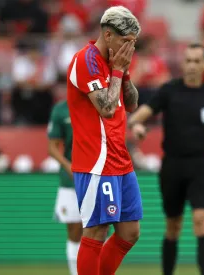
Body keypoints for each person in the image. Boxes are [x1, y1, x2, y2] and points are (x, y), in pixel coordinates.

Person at [128, 43, 204, 275]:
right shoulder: (169, 90)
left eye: (197, 61)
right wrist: (138, 127)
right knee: (173, 226)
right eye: (188, 60)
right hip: (172, 165)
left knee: (202, 222)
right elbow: (137, 118)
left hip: (201, 165)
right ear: (183, 63)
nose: (192, 65)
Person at [66, 6, 142, 275]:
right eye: (126, 42)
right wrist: (118, 71)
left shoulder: (115, 63)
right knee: (96, 231)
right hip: (96, 160)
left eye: (133, 44)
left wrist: (125, 71)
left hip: (120, 158)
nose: (129, 49)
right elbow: (107, 109)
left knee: (130, 232)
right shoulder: (85, 60)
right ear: (108, 35)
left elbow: (131, 104)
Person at [47, 100, 81, 275]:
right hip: (71, 181)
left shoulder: (99, 101)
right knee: (75, 230)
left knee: (100, 229)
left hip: (99, 176)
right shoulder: (61, 110)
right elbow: (52, 147)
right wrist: (68, 166)